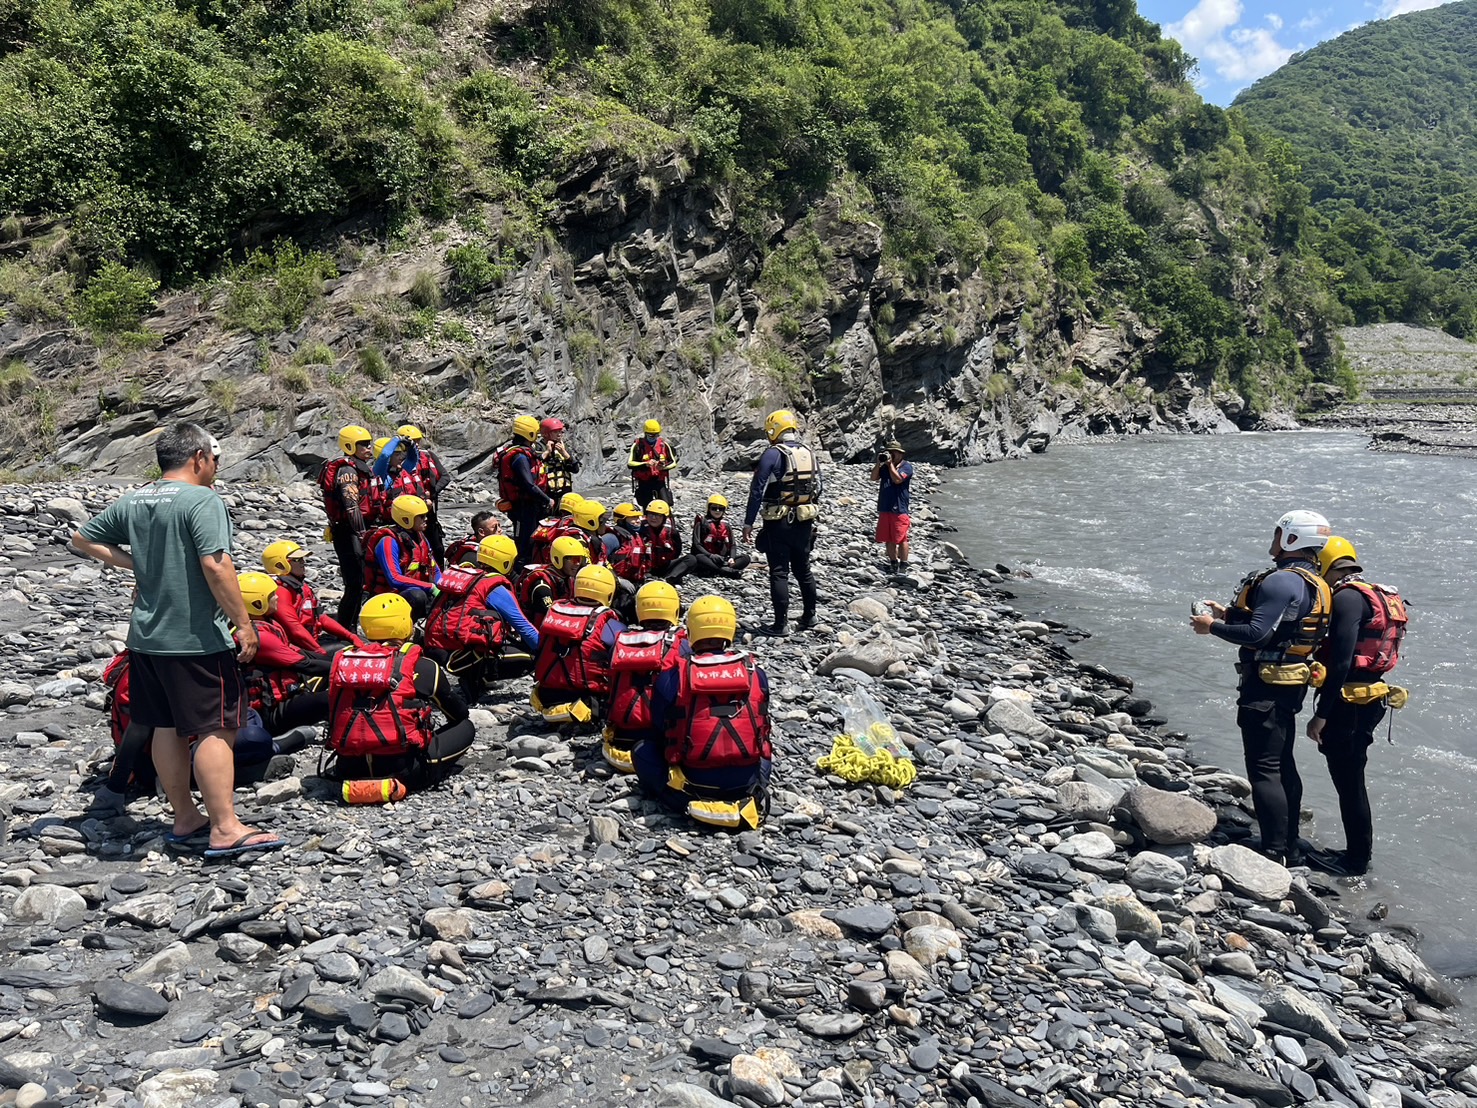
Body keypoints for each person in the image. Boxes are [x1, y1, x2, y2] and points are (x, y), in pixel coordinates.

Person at [70, 422, 283, 858]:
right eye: (215, 460)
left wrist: (141, 568)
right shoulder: (202, 500)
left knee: (165, 726)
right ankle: (225, 827)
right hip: (195, 639)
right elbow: (217, 565)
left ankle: (185, 817)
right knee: (215, 728)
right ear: (198, 458)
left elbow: (82, 538)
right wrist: (243, 623)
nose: (217, 467)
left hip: (146, 638)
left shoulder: (137, 497)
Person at [1191, 510, 1333, 866]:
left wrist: (1212, 627)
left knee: (1264, 767)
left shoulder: (1279, 580)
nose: (1272, 540)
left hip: (1265, 687)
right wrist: (1227, 615)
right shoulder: (1313, 580)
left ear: (1290, 540)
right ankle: (1290, 841)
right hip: (1291, 683)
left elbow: (1258, 634)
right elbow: (1282, 625)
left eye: (1277, 534)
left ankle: (1273, 849)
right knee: (1282, 761)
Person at [1306, 537, 1410, 877]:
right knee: (1352, 778)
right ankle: (1357, 852)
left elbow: (1339, 662)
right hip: (1372, 698)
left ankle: (1355, 861)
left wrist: (1320, 716)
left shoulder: (1347, 598)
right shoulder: (1375, 594)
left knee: (1349, 781)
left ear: (1326, 566)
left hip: (1348, 703)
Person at [636, 595, 772, 830]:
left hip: (695, 781)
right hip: (747, 781)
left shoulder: (674, 675)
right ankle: (747, 798)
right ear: (730, 629)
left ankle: (684, 802)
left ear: (691, 631)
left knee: (641, 750)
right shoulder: (754, 671)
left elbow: (658, 726)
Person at [325, 594, 475, 799]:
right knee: (466, 726)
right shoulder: (422, 665)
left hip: (348, 769)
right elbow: (457, 713)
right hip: (404, 771)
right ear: (405, 624)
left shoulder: (344, 662)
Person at [743, 409, 820, 636]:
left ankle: (780, 624)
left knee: (779, 572)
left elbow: (757, 490)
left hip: (779, 522)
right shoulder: (809, 452)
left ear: (774, 431)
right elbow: (819, 486)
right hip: (804, 520)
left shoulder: (773, 454)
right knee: (803, 569)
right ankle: (810, 615)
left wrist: (749, 522)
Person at [603, 581, 688, 774]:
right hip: (661, 740)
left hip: (622, 737)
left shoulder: (620, 640)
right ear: (674, 609)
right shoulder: (682, 645)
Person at [236, 572, 332, 734]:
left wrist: (346, 659)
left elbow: (303, 653)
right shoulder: (259, 637)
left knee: (335, 656)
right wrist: (348, 670)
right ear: (257, 603)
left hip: (284, 699)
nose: (277, 598)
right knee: (333, 699)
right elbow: (305, 664)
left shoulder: (268, 624)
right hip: (269, 713)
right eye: (272, 595)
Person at [530, 564, 626, 725]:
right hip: (586, 700)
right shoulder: (610, 625)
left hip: (546, 695)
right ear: (609, 594)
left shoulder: (555, 610)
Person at [425, 533, 539, 660]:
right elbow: (524, 627)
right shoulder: (494, 587)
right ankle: (478, 679)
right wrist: (545, 651)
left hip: (434, 644)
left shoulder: (463, 576)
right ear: (506, 562)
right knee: (534, 658)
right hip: (460, 654)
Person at [318, 424, 380, 625]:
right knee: (354, 583)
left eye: (369, 444)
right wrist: (362, 534)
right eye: (363, 445)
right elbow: (351, 505)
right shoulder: (347, 471)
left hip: (357, 530)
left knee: (361, 582)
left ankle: (352, 623)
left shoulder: (360, 468)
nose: (368, 448)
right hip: (348, 532)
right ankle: (346, 626)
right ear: (350, 446)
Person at [263, 541, 362, 654]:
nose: (302, 562)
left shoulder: (302, 587)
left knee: (352, 645)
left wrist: (350, 636)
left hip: (310, 641)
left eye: (302, 559)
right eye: (297, 560)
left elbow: (320, 617)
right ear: (280, 565)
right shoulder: (280, 591)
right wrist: (319, 652)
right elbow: (295, 630)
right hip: (295, 649)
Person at [363, 494, 437, 619]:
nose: (426, 519)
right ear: (406, 519)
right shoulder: (388, 541)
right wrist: (430, 587)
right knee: (418, 596)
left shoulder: (421, 538)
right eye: (421, 516)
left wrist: (443, 587)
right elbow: (394, 579)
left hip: (411, 591)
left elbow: (434, 568)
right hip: (387, 598)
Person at [497, 414, 555, 564]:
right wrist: (547, 500)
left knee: (534, 540)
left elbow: (537, 460)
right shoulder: (520, 457)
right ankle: (522, 571)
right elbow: (528, 485)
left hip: (530, 506)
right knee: (525, 543)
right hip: (523, 507)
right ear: (529, 433)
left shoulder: (524, 452)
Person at [398, 424, 453, 566]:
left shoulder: (428, 456)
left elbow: (445, 477)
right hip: (410, 512)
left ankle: (440, 576)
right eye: (412, 441)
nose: (415, 444)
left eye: (417, 441)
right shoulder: (398, 462)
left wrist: (432, 493)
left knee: (437, 548)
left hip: (429, 509)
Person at [667, 494, 751, 583]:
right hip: (706, 557)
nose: (717, 511)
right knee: (698, 558)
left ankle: (721, 568)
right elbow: (697, 544)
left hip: (722, 559)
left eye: (721, 508)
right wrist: (710, 555)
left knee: (746, 558)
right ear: (709, 508)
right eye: (714, 508)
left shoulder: (726, 524)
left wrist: (732, 558)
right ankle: (724, 571)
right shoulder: (702, 522)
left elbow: (732, 545)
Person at [515, 535, 589, 630]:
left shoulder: (568, 579)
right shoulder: (542, 587)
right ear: (558, 559)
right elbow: (551, 618)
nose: (577, 563)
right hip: (541, 636)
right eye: (572, 559)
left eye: (579, 559)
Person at [870, 440, 914, 576]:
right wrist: (879, 463)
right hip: (885, 506)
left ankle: (904, 565)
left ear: (900, 454)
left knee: (901, 538)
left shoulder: (907, 467)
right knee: (888, 538)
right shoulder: (884, 467)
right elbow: (873, 478)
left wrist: (890, 466)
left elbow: (898, 479)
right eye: (889, 452)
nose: (890, 455)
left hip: (899, 508)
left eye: (893, 453)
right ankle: (893, 562)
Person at [628, 419, 678, 509]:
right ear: (645, 433)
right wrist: (645, 464)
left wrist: (663, 467)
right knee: (646, 506)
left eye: (656, 435)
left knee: (665, 506)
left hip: (659, 481)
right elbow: (630, 463)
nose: (654, 437)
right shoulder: (638, 445)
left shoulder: (664, 445)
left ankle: (666, 521)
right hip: (644, 482)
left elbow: (673, 462)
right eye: (651, 435)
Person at [535, 417, 580, 501]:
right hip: (546, 495)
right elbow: (534, 467)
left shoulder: (563, 447)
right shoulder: (539, 447)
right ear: (546, 434)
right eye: (555, 432)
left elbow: (575, 469)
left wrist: (565, 454)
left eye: (560, 431)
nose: (559, 434)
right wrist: (547, 452)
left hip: (563, 494)